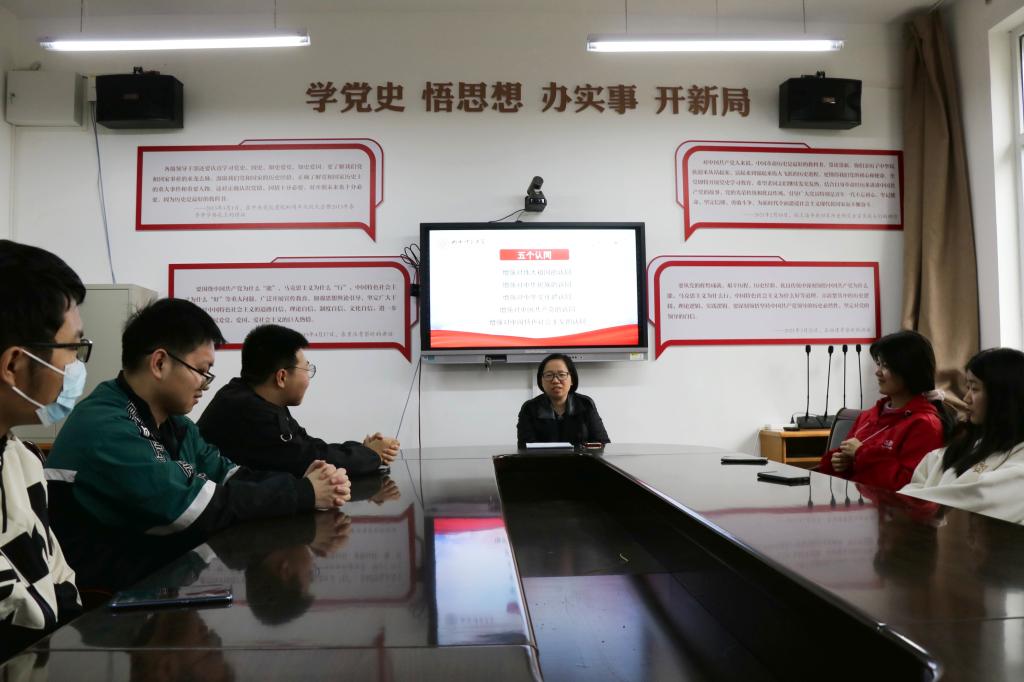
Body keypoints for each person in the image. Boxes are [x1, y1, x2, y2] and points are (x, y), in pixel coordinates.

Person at [44, 299, 351, 595]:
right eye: (202, 370)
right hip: (102, 603)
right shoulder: (107, 426)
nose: (206, 384)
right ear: (160, 363)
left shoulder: (175, 424)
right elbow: (193, 508)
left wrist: (303, 484)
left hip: (155, 578)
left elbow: (228, 475)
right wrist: (304, 492)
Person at [0, 240, 87, 661]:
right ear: (13, 365)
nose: (77, 366)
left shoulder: (23, 460)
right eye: (73, 348)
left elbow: (60, 582)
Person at [198, 324, 398, 478]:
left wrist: (363, 451)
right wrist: (371, 455)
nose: (308, 378)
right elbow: (307, 461)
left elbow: (306, 445)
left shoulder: (251, 397)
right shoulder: (249, 411)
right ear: (282, 377)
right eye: (306, 369)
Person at [901, 348, 1024, 524]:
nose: (966, 398)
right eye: (968, 387)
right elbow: (921, 478)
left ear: (1003, 396)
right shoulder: (969, 443)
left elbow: (976, 498)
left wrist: (900, 503)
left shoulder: (1018, 460)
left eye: (974, 388)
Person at [817, 330, 952, 491]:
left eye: (886, 366)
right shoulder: (868, 416)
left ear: (909, 370)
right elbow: (845, 472)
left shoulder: (925, 425)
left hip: (890, 506)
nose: (878, 372)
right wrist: (839, 463)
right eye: (879, 364)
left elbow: (908, 485)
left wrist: (861, 453)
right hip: (854, 500)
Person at [516, 353, 609, 448]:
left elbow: (603, 443)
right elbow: (524, 448)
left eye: (561, 375)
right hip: (542, 458)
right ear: (541, 381)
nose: (555, 381)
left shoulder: (585, 404)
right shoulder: (529, 409)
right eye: (549, 375)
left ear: (572, 379)